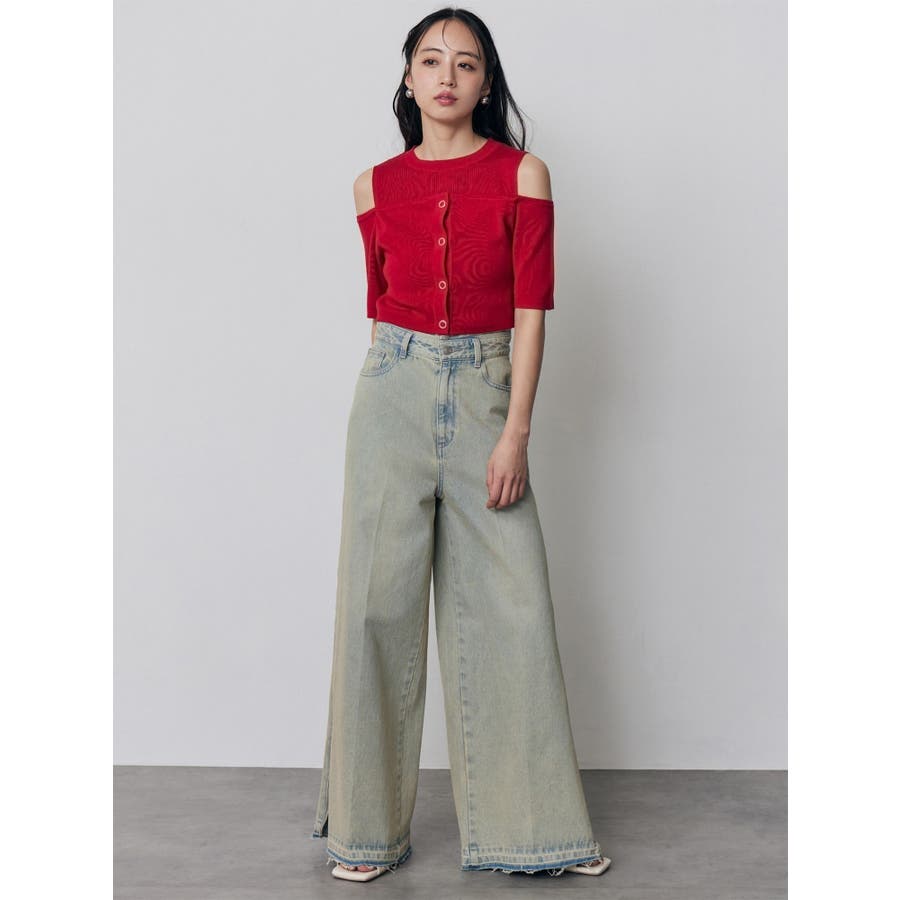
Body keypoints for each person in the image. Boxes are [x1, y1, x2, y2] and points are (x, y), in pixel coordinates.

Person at [310, 8, 612, 883]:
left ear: (486, 83)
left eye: (467, 63)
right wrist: (399, 387)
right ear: (408, 77)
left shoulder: (523, 174)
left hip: (486, 390)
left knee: (512, 608)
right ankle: (363, 833)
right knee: (373, 607)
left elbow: (531, 312)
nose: (448, 76)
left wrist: (515, 430)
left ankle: (537, 834)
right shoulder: (372, 186)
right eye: (431, 60)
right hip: (391, 390)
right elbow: (379, 311)